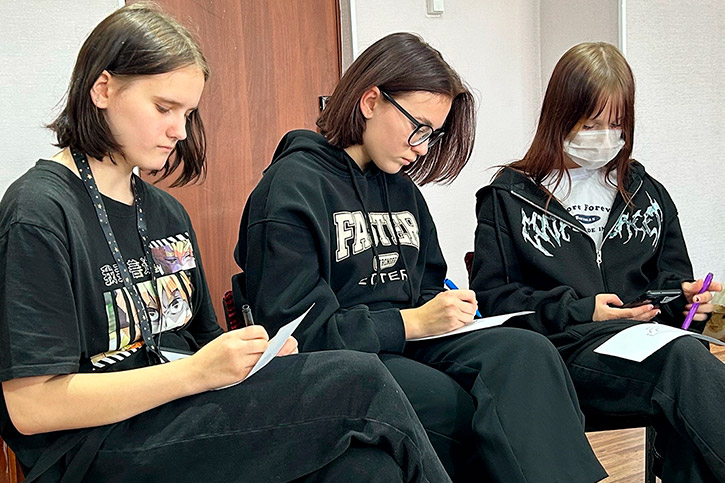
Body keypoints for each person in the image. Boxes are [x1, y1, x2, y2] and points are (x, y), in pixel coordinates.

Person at [0, 4, 452, 482]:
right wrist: (196, 373)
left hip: (176, 412)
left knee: (366, 467)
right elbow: (32, 407)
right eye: (163, 108)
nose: (179, 131)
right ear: (103, 89)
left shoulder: (164, 212)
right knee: (359, 379)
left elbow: (201, 338)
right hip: (94, 446)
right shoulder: (39, 213)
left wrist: (251, 354)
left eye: (188, 113)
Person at [235, 32, 606, 482]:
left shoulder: (403, 190)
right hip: (343, 361)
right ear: (371, 101)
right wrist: (410, 322)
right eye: (419, 127)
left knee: (528, 352)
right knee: (454, 407)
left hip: (410, 343)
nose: (423, 147)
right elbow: (297, 333)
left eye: (433, 134)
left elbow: (427, 285)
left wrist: (447, 309)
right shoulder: (290, 188)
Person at [470, 41, 725, 482]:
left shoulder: (645, 192)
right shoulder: (510, 196)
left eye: (617, 124)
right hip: (562, 351)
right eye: (591, 124)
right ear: (559, 116)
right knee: (686, 365)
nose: (605, 137)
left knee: (691, 370)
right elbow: (496, 302)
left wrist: (692, 304)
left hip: (647, 345)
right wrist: (581, 310)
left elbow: (671, 284)